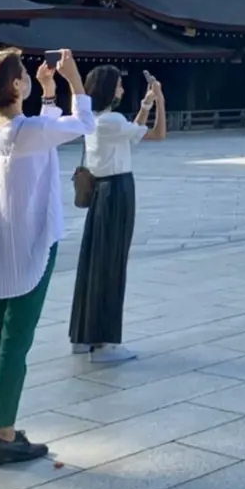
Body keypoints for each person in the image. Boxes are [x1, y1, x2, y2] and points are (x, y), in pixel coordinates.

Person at [0, 48, 91, 468]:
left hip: (1, 239)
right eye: (23, 73)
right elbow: (82, 125)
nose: (28, 75)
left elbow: (46, 129)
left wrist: (49, 93)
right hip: (32, 242)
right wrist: (75, 82)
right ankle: (2, 433)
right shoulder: (27, 132)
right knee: (17, 335)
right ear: (17, 85)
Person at [69, 66, 166, 363]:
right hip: (118, 191)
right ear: (110, 89)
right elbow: (157, 135)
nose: (123, 89)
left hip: (101, 190)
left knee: (94, 262)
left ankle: (82, 337)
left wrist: (145, 105)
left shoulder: (97, 120)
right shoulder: (112, 120)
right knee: (112, 263)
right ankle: (105, 343)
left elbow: (131, 135)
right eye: (119, 85)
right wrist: (160, 100)